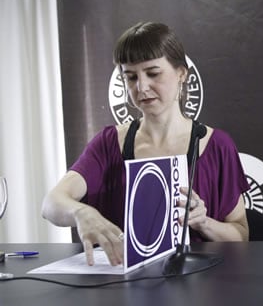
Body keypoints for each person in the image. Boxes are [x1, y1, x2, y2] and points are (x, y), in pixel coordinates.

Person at [42, 22, 249, 266]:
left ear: (181, 73)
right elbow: (51, 203)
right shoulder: (108, 144)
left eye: (153, 73)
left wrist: (203, 222)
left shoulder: (216, 146)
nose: (141, 87)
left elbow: (241, 235)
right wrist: (81, 213)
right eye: (130, 77)